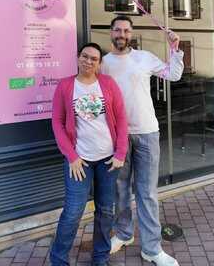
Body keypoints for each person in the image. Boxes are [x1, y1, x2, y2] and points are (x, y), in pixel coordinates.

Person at [101, 16, 184, 266]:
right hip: (118, 137)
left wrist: (175, 48)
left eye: (126, 30)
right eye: (117, 29)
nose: (121, 34)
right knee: (120, 190)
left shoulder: (144, 57)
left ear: (131, 33)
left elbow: (174, 74)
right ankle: (124, 234)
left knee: (146, 192)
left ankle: (151, 249)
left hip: (147, 133)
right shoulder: (103, 63)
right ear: (111, 33)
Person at [50, 42, 128, 266]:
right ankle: (58, 260)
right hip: (79, 161)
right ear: (77, 58)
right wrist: (71, 156)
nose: (88, 61)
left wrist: (120, 152)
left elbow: (121, 119)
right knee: (73, 212)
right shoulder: (65, 86)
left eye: (94, 59)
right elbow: (57, 122)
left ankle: (100, 258)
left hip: (108, 160)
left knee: (105, 211)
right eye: (85, 56)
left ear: (99, 64)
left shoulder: (108, 83)